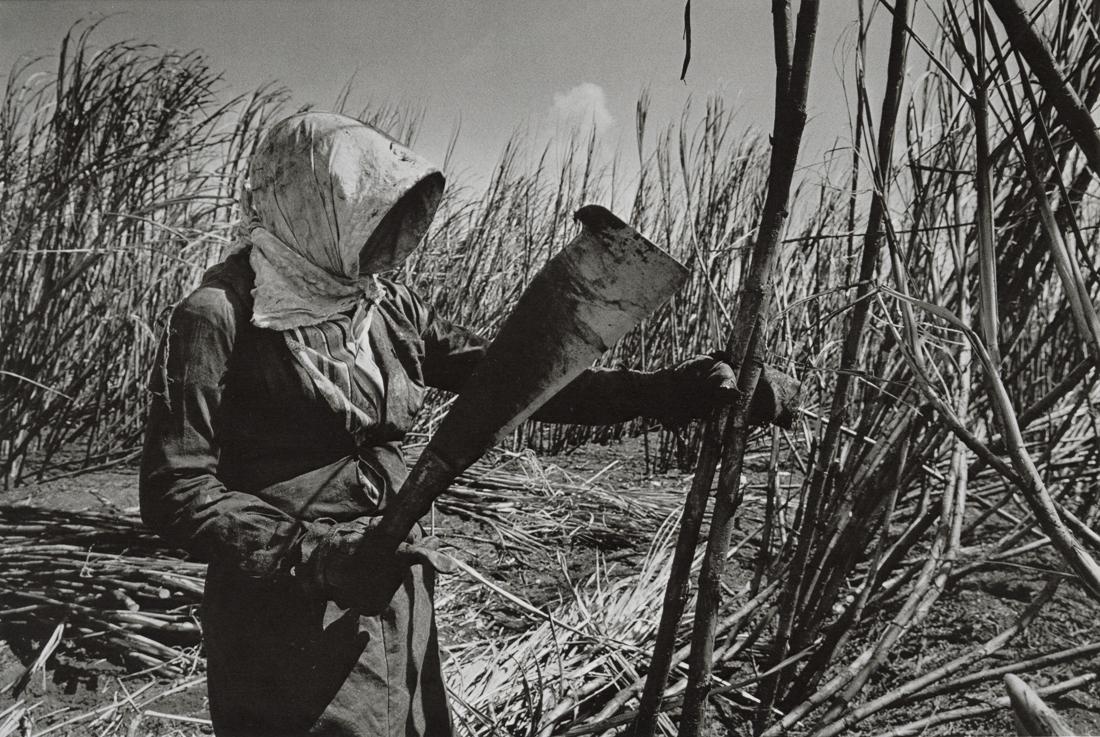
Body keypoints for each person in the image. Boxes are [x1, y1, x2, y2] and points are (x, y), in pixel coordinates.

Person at [139, 111, 796, 737]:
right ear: (309, 201)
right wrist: (312, 555)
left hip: (396, 595)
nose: (384, 240)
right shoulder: (218, 317)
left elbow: (515, 381)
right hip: (284, 618)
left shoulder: (384, 307)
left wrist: (672, 392)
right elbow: (178, 489)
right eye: (365, 212)